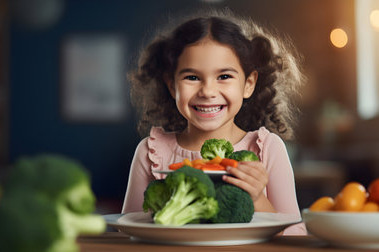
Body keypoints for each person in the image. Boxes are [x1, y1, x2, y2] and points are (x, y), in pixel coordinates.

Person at [122, 9, 307, 235]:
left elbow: (296, 235)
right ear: (172, 85)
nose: (208, 91)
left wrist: (257, 198)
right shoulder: (150, 152)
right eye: (192, 77)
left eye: (224, 76)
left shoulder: (267, 149)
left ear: (248, 84)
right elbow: (128, 231)